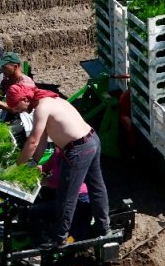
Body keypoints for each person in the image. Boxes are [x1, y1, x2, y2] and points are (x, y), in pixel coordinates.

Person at [15, 89, 110, 248]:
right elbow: (42, 142)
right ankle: (104, 228)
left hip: (78, 149)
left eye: (17, 106)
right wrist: (34, 163)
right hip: (92, 139)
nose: (19, 110)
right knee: (96, 186)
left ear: (25, 98)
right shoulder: (52, 100)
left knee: (66, 194)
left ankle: (59, 238)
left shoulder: (41, 108)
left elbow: (33, 142)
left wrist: (18, 166)